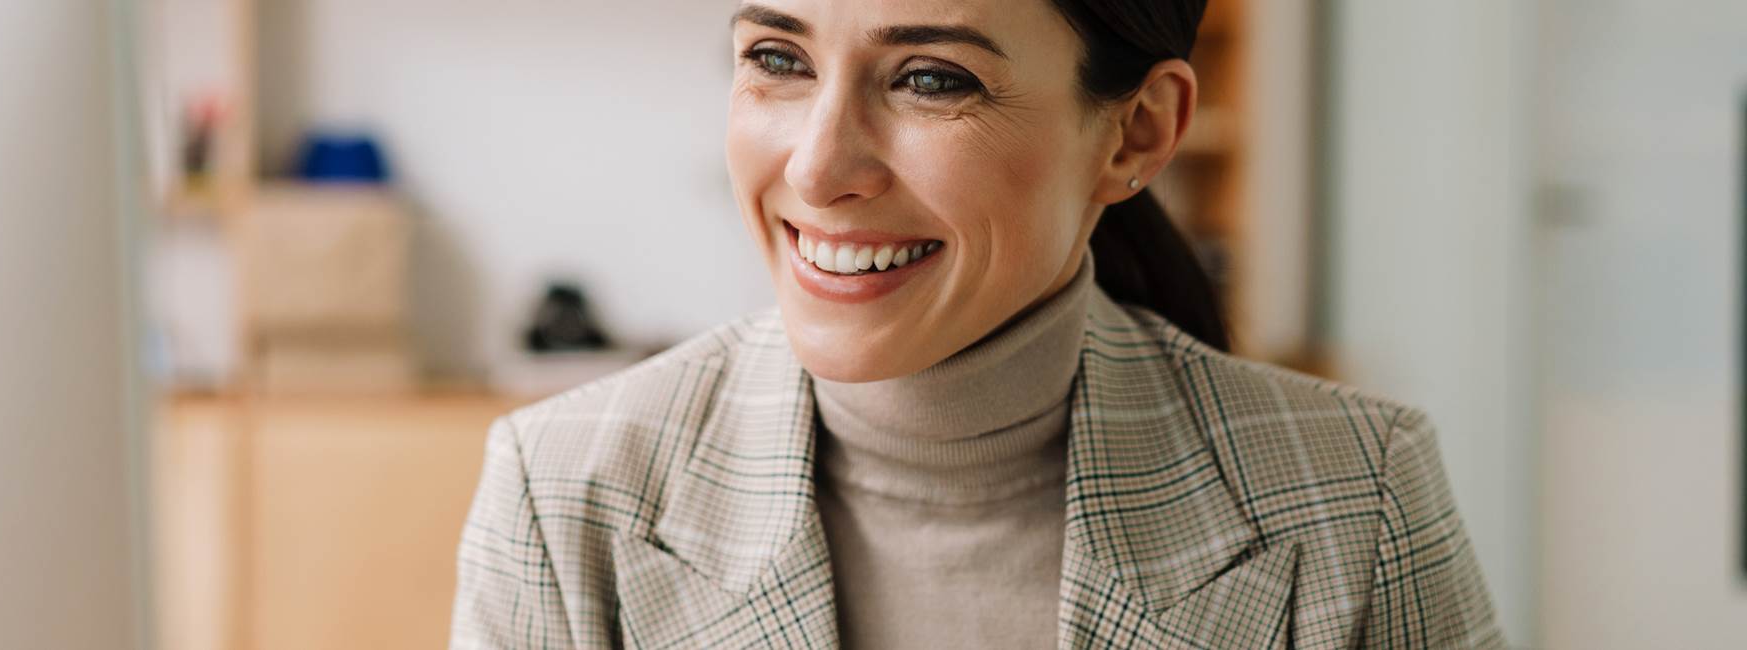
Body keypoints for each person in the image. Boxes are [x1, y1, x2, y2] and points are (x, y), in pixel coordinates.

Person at [451, 0, 1504, 647]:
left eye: (931, 79)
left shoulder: (1353, 494)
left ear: (1136, 132)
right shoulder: (567, 494)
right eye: (778, 57)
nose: (817, 166)